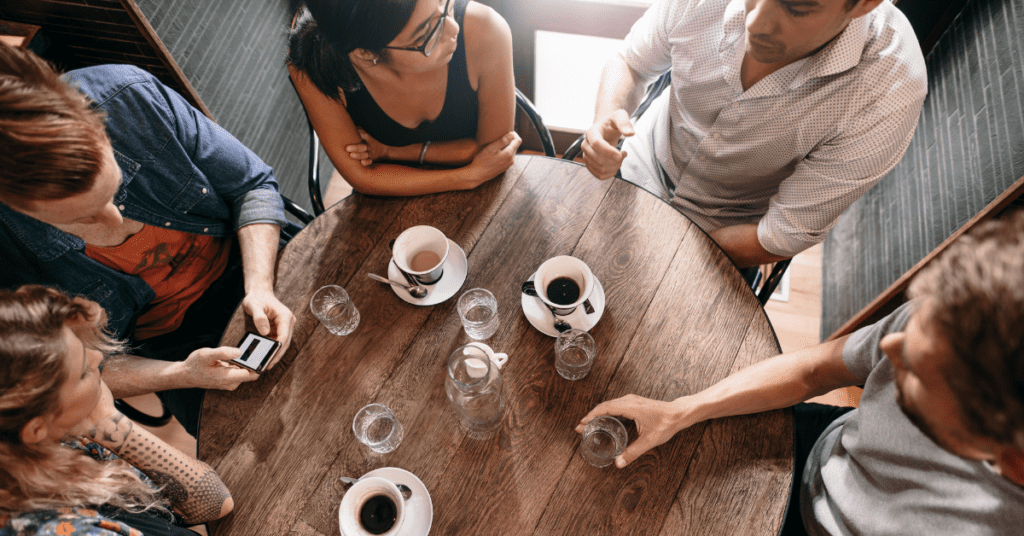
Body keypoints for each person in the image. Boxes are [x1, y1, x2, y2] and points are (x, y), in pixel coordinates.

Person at [577, 210, 1024, 534]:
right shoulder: (956, 321)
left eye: (917, 372)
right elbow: (814, 371)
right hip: (823, 452)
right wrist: (683, 409)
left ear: (1010, 458)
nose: (890, 350)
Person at [0, 44, 296, 439]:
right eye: (82, 217)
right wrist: (183, 374)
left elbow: (252, 186)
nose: (115, 219)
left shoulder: (128, 96)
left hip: (253, 260)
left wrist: (259, 285)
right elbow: (76, 371)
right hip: (175, 343)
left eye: (114, 189)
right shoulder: (7, 251)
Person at [581, 0, 928, 268]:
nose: (755, 22)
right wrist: (604, 118)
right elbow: (631, 62)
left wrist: (672, 251)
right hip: (637, 162)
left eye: (796, 7)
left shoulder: (890, 87)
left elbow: (778, 234)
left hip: (723, 233)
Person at [0, 285, 233, 536]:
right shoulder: (62, 530)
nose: (97, 359)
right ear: (36, 428)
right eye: (82, 372)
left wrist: (106, 419)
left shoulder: (65, 437)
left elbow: (214, 503)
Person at [287, 0, 522, 197]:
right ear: (366, 54)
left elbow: (496, 152)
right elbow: (362, 177)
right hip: (388, 202)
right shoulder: (312, 62)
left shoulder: (485, 29)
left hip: (486, 190)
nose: (453, 30)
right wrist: (468, 176)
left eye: (443, 3)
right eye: (427, 34)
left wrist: (392, 153)